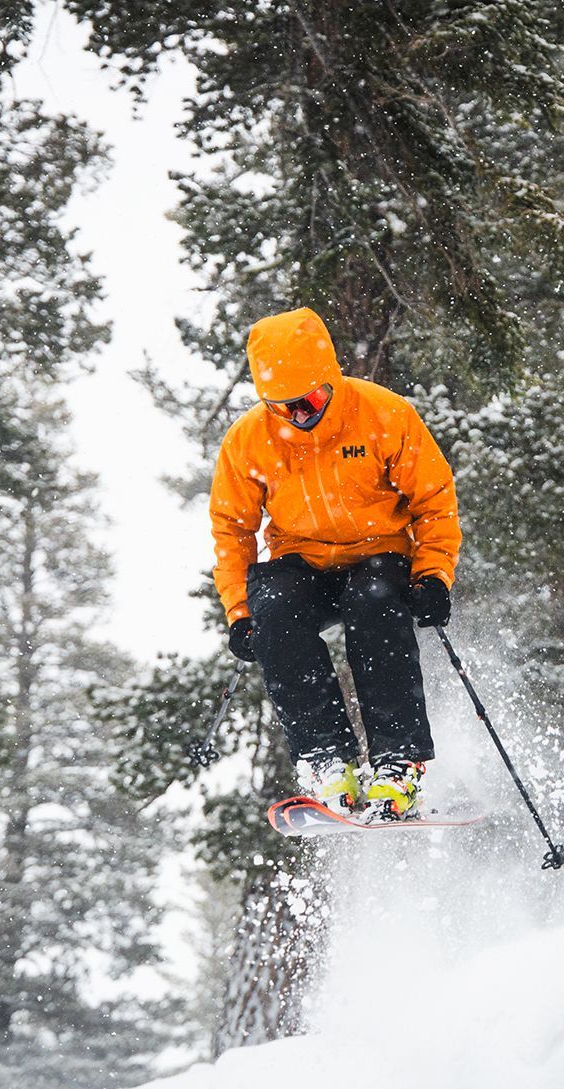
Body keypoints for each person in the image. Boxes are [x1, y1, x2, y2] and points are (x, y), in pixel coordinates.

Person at [209, 307, 460, 820]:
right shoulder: (249, 440)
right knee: (274, 610)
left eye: (312, 400)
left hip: (378, 551)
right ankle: (327, 759)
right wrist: (240, 612)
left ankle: (398, 764)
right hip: (300, 559)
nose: (302, 415)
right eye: (286, 407)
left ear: (331, 379)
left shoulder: (382, 414)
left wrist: (434, 573)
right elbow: (232, 529)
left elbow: (434, 499)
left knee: (374, 605)